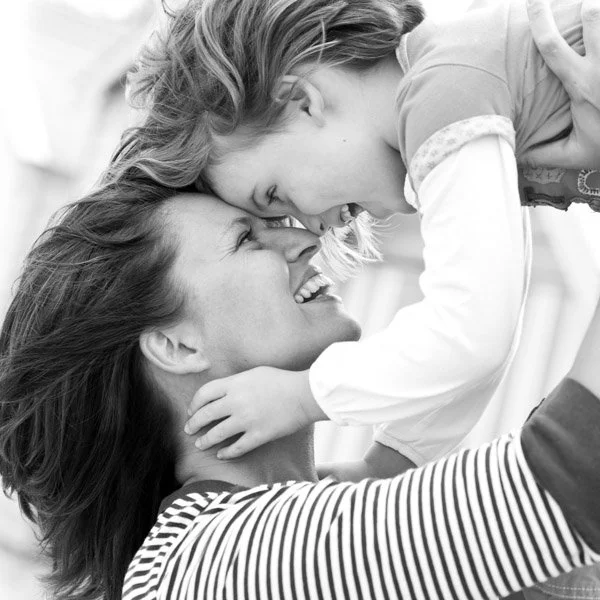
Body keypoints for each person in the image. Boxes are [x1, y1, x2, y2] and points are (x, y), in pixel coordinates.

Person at [1, 172, 600, 600]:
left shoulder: (304, 524)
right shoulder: (210, 565)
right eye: (247, 240)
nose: (304, 240)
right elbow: (571, 475)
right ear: (177, 346)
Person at [112, 0, 600, 472]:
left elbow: (474, 326)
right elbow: (494, 312)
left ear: (303, 102)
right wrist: (396, 459)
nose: (312, 226)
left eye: (275, 194)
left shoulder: (443, 92)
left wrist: (304, 395)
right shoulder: (461, 80)